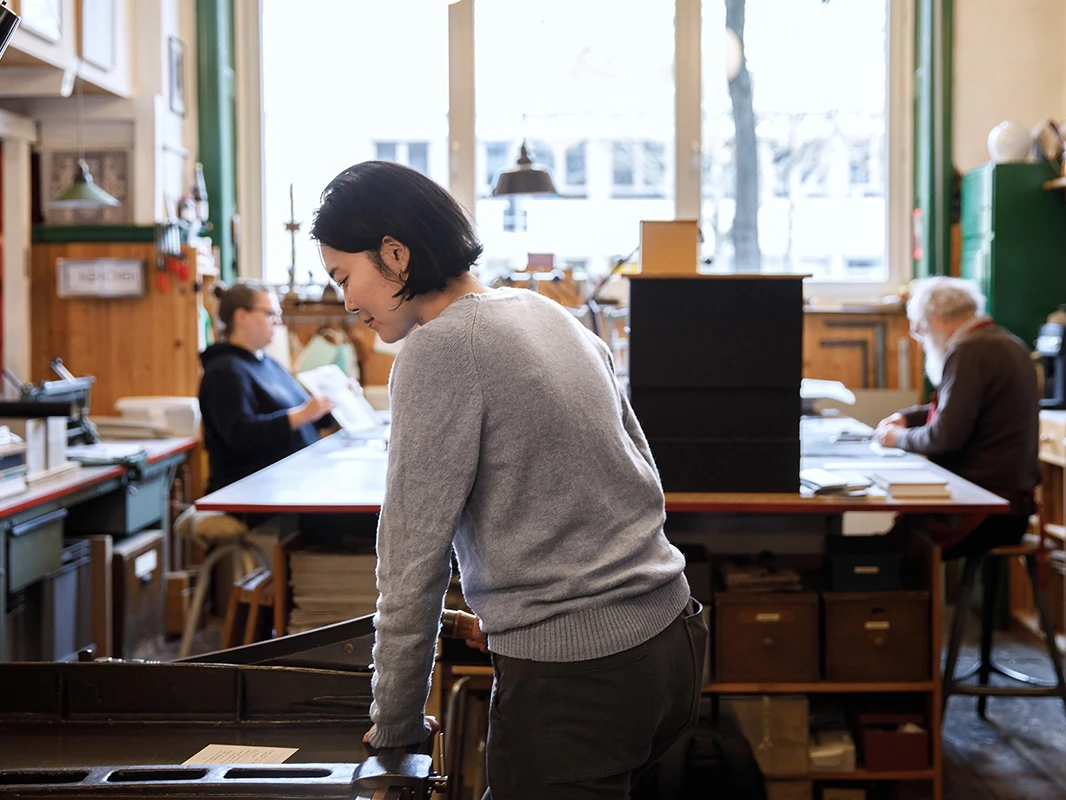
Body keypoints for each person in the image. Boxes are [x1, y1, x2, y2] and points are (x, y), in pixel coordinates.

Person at [311, 161, 706, 800]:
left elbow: (411, 565)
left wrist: (395, 731)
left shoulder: (435, 350)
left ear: (394, 253)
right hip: (672, 641)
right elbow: (635, 479)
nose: (347, 301)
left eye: (344, 277)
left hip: (581, 680)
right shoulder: (545, 313)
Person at [873, 276, 1040, 559]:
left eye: (919, 331)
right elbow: (966, 408)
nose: (922, 343)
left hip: (984, 511)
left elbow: (944, 437)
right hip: (1011, 508)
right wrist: (906, 418)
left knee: (881, 555)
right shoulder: (1006, 342)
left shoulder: (968, 351)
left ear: (936, 319)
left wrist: (896, 438)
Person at [198, 279, 335, 492]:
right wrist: (301, 415)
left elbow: (311, 420)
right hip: (254, 490)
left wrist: (335, 399)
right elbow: (240, 435)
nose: (278, 322)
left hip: (294, 479)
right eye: (271, 314)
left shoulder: (268, 363)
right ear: (241, 316)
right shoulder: (224, 371)